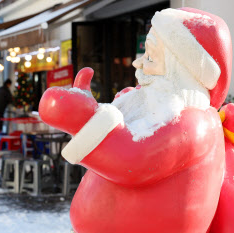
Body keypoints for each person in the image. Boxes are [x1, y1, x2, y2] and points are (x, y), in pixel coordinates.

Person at [39, 8, 233, 233]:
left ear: (182, 68)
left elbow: (132, 160)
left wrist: (82, 119)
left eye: (150, 56)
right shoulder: (152, 108)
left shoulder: (195, 124)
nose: (137, 64)